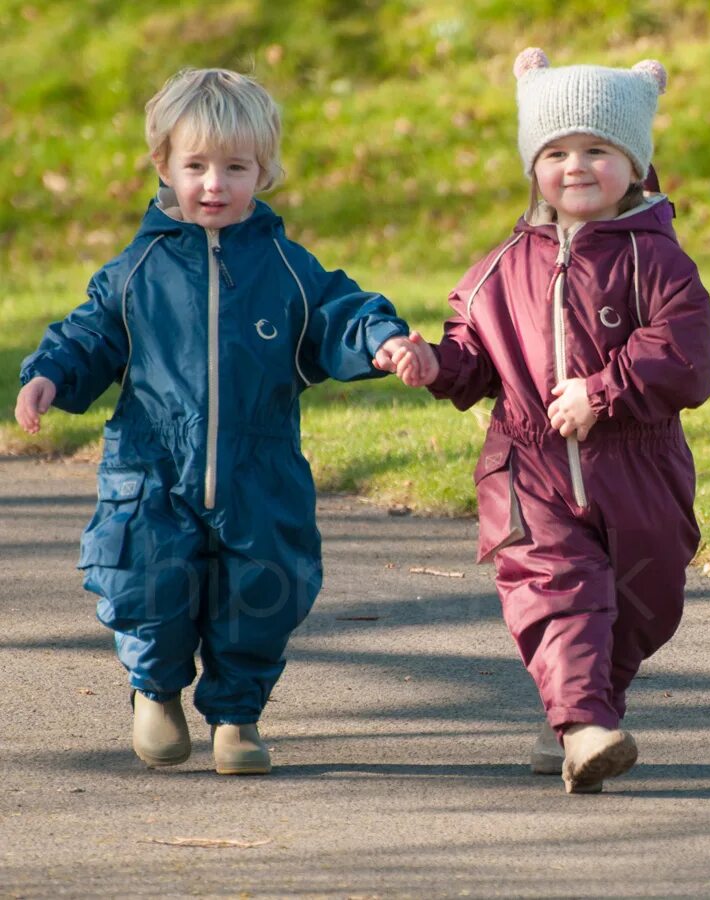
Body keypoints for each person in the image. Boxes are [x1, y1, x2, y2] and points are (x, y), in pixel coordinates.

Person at [16, 67, 426, 775]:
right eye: (196, 166)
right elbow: (88, 334)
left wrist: (380, 341)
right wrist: (49, 374)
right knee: (146, 582)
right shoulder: (136, 270)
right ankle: (156, 690)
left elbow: (340, 311)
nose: (214, 184)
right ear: (163, 166)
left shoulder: (286, 267)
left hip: (260, 468)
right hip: (150, 466)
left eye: (234, 168)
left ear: (263, 172)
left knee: (264, 590)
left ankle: (237, 716)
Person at [384, 48, 710, 793]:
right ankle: (585, 724)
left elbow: (687, 357)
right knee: (559, 590)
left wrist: (603, 393)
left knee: (644, 603)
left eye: (598, 149)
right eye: (556, 151)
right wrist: (436, 364)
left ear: (634, 164)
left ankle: (582, 715)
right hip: (528, 466)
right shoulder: (500, 267)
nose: (575, 166)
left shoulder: (660, 263)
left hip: (641, 465)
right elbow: (475, 353)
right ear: (532, 164)